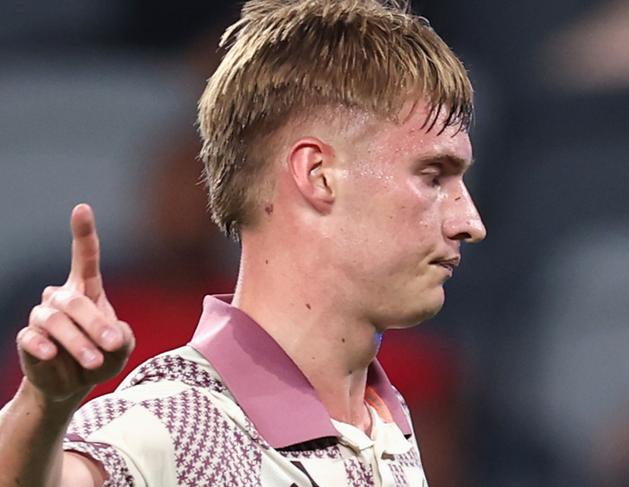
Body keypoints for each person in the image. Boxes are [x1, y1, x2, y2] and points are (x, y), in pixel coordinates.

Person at [0, 0, 486, 485]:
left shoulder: (387, 422)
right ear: (318, 175)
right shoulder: (175, 423)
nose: (469, 221)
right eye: (432, 175)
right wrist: (45, 403)